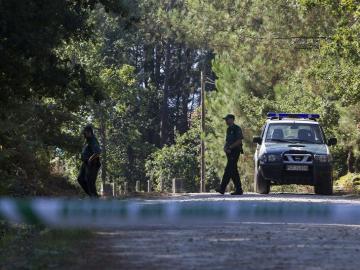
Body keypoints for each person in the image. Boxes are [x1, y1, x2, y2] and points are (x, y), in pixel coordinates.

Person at [216, 114, 244, 195]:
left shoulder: (237, 128)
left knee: (228, 170)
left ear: (232, 119)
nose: (226, 121)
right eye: (225, 119)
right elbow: (227, 141)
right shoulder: (228, 129)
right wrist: (225, 148)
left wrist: (230, 147)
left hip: (235, 151)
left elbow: (239, 141)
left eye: (227, 119)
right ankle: (239, 189)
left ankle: (222, 188)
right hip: (229, 152)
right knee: (233, 171)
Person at [77, 125, 101, 197]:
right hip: (85, 163)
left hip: (92, 164)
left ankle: (94, 198)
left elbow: (98, 152)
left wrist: (90, 159)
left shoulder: (93, 140)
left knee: (90, 181)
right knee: (80, 179)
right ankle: (91, 196)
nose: (84, 134)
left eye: (85, 133)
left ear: (89, 132)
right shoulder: (87, 141)